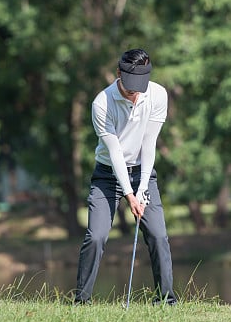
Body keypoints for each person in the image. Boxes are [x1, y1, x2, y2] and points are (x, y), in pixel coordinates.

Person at [74, 48, 177, 305]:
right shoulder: (102, 103)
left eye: (140, 85)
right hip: (107, 176)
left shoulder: (157, 94)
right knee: (96, 236)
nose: (135, 92)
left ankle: (166, 300)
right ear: (119, 73)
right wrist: (130, 196)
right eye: (130, 86)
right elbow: (116, 153)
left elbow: (149, 142)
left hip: (143, 171)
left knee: (157, 235)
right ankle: (81, 301)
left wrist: (142, 188)